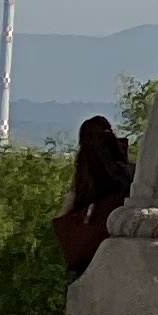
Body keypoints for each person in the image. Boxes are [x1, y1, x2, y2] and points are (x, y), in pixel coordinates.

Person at [55, 114, 135, 279]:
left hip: (88, 255)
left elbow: (67, 212)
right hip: (120, 248)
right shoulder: (128, 173)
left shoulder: (85, 170)